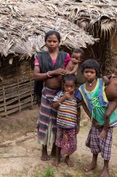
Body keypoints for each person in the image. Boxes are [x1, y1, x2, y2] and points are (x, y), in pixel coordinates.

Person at [79, 59, 117, 177]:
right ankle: (94, 162)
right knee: (95, 143)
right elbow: (83, 104)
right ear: (83, 73)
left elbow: (116, 80)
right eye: (86, 72)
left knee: (106, 145)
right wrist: (93, 120)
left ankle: (106, 167)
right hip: (95, 121)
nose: (89, 74)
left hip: (108, 122)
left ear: (96, 73)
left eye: (92, 72)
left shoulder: (102, 82)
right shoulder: (82, 89)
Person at [34, 30, 70, 161]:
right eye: (49, 41)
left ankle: (56, 148)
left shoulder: (65, 56)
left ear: (59, 42)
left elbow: (71, 71)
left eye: (55, 41)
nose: (52, 43)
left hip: (60, 93)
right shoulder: (40, 56)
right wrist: (53, 72)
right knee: (44, 121)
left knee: (58, 121)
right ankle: (43, 150)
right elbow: (36, 75)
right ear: (45, 42)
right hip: (47, 93)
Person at [52, 74, 82, 167]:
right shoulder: (60, 94)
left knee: (70, 143)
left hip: (71, 125)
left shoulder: (76, 98)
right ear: (63, 85)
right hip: (60, 124)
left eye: (71, 86)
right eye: (66, 86)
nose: (69, 89)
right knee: (58, 142)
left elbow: (78, 112)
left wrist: (78, 124)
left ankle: (67, 158)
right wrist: (63, 98)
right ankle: (57, 158)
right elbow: (54, 106)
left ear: (75, 87)